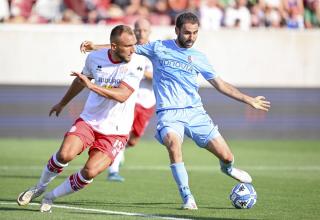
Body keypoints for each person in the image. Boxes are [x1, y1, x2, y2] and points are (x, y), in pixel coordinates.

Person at [80, 12, 271, 210]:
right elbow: (124, 47)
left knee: (227, 156)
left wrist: (248, 99)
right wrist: (95, 46)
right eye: (187, 33)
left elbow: (221, 85)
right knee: (173, 143)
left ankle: (228, 168)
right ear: (177, 30)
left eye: (195, 33)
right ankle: (187, 196)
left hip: (195, 113)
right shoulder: (158, 48)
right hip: (169, 113)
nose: (192, 37)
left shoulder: (199, 57)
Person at [16, 25, 146, 213]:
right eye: (128, 46)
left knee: (90, 171)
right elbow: (80, 81)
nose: (133, 49)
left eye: (134, 44)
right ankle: (39, 187)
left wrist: (91, 86)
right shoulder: (94, 58)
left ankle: (51, 197)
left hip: (116, 131)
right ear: (114, 47)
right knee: (64, 154)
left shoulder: (137, 62)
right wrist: (62, 103)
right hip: (90, 121)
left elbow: (122, 95)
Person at [107, 18, 155, 182]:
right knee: (123, 133)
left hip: (148, 101)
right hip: (130, 97)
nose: (141, 33)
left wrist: (146, 73)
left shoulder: (154, 50)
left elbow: (158, 76)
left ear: (150, 31)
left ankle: (117, 152)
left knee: (133, 140)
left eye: (144, 30)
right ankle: (112, 169)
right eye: (138, 30)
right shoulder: (129, 49)